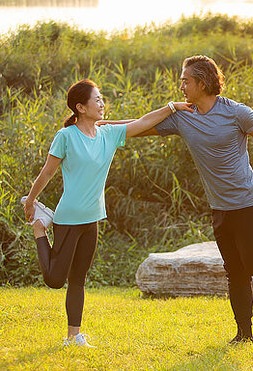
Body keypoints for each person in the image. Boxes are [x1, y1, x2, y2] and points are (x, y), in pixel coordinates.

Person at [109, 55, 253, 344]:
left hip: (249, 202)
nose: (181, 85)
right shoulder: (183, 116)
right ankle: (244, 335)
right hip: (220, 208)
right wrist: (93, 126)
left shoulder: (236, 113)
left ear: (202, 82)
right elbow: (137, 127)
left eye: (186, 80)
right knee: (235, 272)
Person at [22, 79, 193, 347]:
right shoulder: (65, 136)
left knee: (78, 280)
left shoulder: (108, 135)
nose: (102, 103)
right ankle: (40, 229)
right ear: (80, 107)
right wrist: (31, 200)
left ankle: (73, 336)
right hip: (68, 218)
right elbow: (47, 172)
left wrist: (172, 107)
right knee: (55, 279)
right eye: (97, 99)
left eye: (102, 98)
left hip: (92, 218)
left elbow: (142, 122)